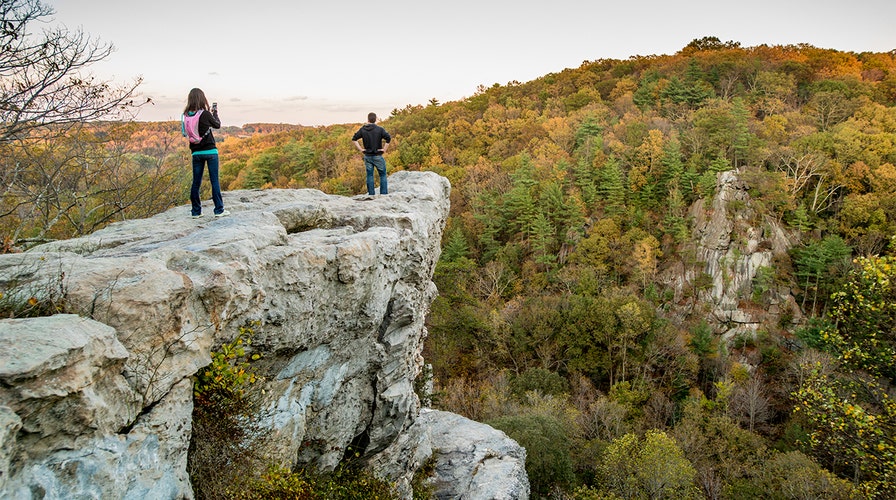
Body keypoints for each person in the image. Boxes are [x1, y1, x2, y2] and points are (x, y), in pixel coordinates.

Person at [182, 88, 229, 218]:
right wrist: (215, 113)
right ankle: (219, 210)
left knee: (196, 182)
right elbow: (217, 125)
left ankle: (196, 212)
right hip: (210, 151)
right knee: (214, 180)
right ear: (202, 99)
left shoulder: (186, 115)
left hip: (195, 152)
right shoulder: (205, 114)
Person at [352, 112, 392, 195]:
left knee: (370, 175)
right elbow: (388, 138)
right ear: (375, 119)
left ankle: (371, 195)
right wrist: (384, 149)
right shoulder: (380, 129)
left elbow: (354, 139)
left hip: (368, 156)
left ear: (368, 119)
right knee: (383, 175)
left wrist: (361, 149)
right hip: (378, 155)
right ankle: (383, 195)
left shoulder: (363, 129)